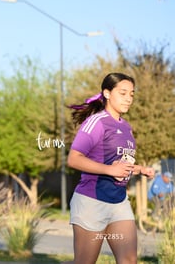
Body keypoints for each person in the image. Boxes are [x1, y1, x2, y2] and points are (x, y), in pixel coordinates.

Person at [66, 72, 155, 264]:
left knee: (129, 261)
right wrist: (109, 170)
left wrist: (140, 169)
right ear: (107, 93)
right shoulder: (96, 122)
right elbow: (73, 159)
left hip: (118, 202)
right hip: (91, 202)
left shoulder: (127, 128)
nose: (129, 98)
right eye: (123, 93)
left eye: (131, 94)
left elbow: (121, 162)